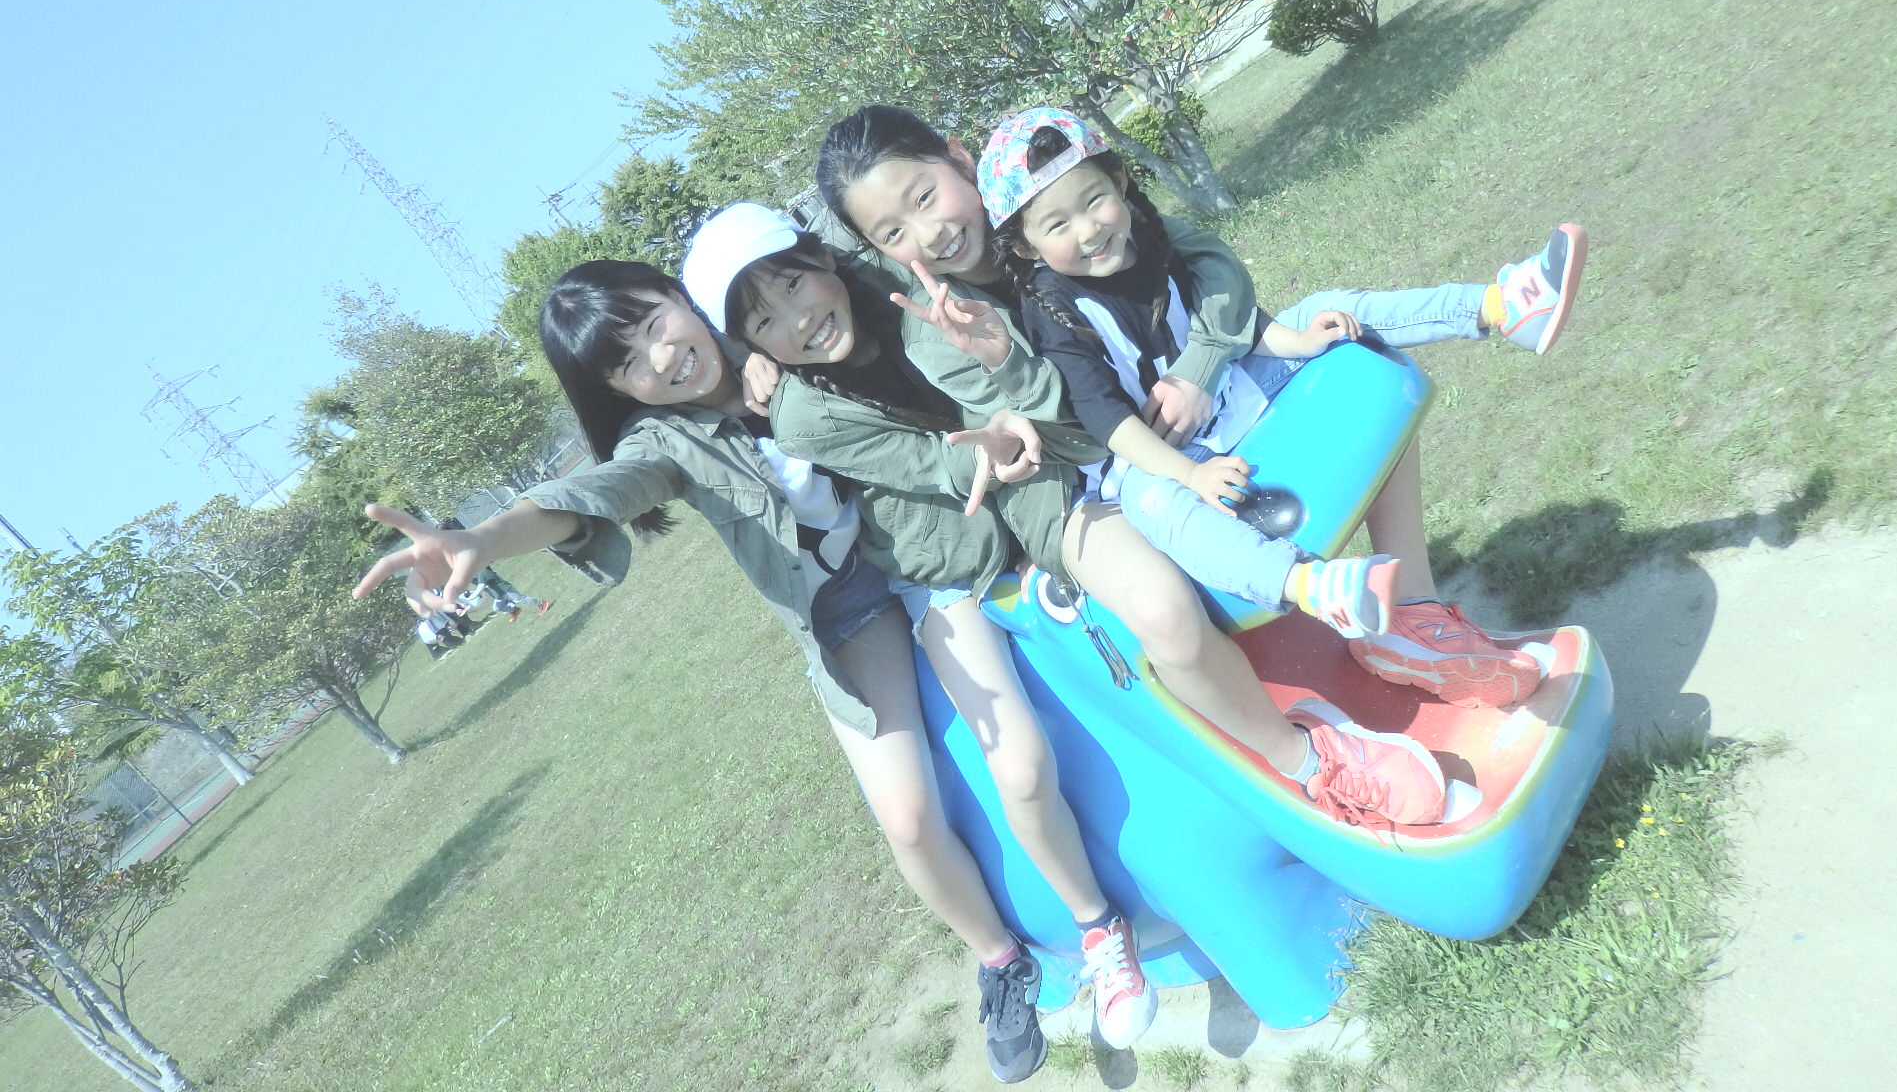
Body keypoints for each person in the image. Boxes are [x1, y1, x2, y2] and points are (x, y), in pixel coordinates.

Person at [352, 263, 1053, 1082]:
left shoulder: (775, 322)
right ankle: (999, 960)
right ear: (618, 393)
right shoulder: (664, 443)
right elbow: (588, 495)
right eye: (627, 365)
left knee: (1019, 729)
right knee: (905, 819)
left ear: (680, 296)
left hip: (933, 540)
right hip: (846, 613)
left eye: (655, 324)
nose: (661, 358)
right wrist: (483, 539)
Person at [683, 203, 1161, 1053]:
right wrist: (994, 446)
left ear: (822, 258)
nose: (797, 319)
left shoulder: (904, 283)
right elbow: (932, 464)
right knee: (1018, 764)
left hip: (1042, 481)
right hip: (941, 566)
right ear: (747, 343)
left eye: (793, 284)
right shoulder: (801, 414)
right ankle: (1099, 929)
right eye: (763, 321)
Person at [978, 106, 1577, 710]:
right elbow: (1107, 420)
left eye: (1094, 200)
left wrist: (1300, 342)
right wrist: (1188, 475)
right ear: (1027, 246)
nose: (1088, 230)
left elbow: (1237, 326)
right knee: (1148, 499)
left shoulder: (1154, 239)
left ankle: (1504, 307)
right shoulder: (1052, 307)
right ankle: (1310, 585)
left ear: (1119, 182)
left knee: (1323, 309)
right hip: (1158, 455)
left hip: (1225, 397)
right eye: (1058, 224)